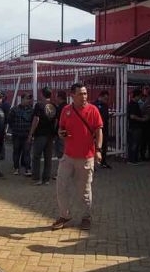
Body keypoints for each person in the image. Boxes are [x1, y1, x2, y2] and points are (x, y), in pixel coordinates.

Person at [52, 82, 103, 231]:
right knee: (60, 186)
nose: (84, 96)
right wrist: (60, 133)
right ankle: (65, 215)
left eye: (85, 93)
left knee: (84, 190)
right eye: (80, 94)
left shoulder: (93, 110)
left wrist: (98, 150)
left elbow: (99, 131)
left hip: (86, 157)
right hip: (68, 156)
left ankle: (86, 217)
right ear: (72, 95)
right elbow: (61, 129)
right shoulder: (66, 110)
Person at [28, 87, 57, 185]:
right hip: (50, 134)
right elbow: (56, 121)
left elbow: (36, 120)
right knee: (48, 157)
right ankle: (46, 179)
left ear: (42, 94)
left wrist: (31, 133)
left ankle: (37, 178)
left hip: (40, 134)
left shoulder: (39, 105)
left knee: (36, 156)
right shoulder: (53, 105)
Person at [7, 93, 33, 176]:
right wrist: (14, 129)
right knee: (16, 152)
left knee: (27, 152)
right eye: (26, 98)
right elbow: (9, 120)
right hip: (17, 134)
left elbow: (33, 122)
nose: (28, 100)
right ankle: (16, 168)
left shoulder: (31, 110)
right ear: (22, 99)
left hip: (26, 135)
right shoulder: (14, 109)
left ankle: (27, 169)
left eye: (29, 99)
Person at [127, 89, 147, 165]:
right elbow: (132, 116)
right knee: (134, 143)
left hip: (135, 126)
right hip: (135, 126)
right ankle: (132, 159)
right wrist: (142, 119)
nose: (140, 98)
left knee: (136, 143)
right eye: (139, 96)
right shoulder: (133, 104)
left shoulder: (134, 104)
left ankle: (134, 158)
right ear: (137, 96)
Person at [93, 90, 111, 169]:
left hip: (104, 128)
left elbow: (105, 116)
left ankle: (103, 162)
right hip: (96, 129)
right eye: (105, 98)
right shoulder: (94, 105)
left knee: (104, 145)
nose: (106, 100)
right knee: (95, 146)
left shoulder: (105, 105)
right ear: (100, 96)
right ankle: (93, 164)